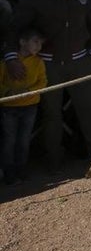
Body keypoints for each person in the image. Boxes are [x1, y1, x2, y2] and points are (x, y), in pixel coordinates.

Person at [6, 0, 91, 169]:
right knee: (51, 114)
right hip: (48, 63)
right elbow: (14, 28)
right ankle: (53, 160)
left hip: (80, 62)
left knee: (88, 110)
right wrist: (12, 56)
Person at [1, 30, 46, 183]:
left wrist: (29, 92)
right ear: (22, 42)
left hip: (30, 105)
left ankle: (21, 170)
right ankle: (9, 173)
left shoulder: (38, 62)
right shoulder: (6, 63)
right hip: (9, 106)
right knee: (9, 140)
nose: (38, 46)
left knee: (24, 140)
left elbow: (42, 82)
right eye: (35, 42)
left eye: (40, 43)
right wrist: (9, 92)